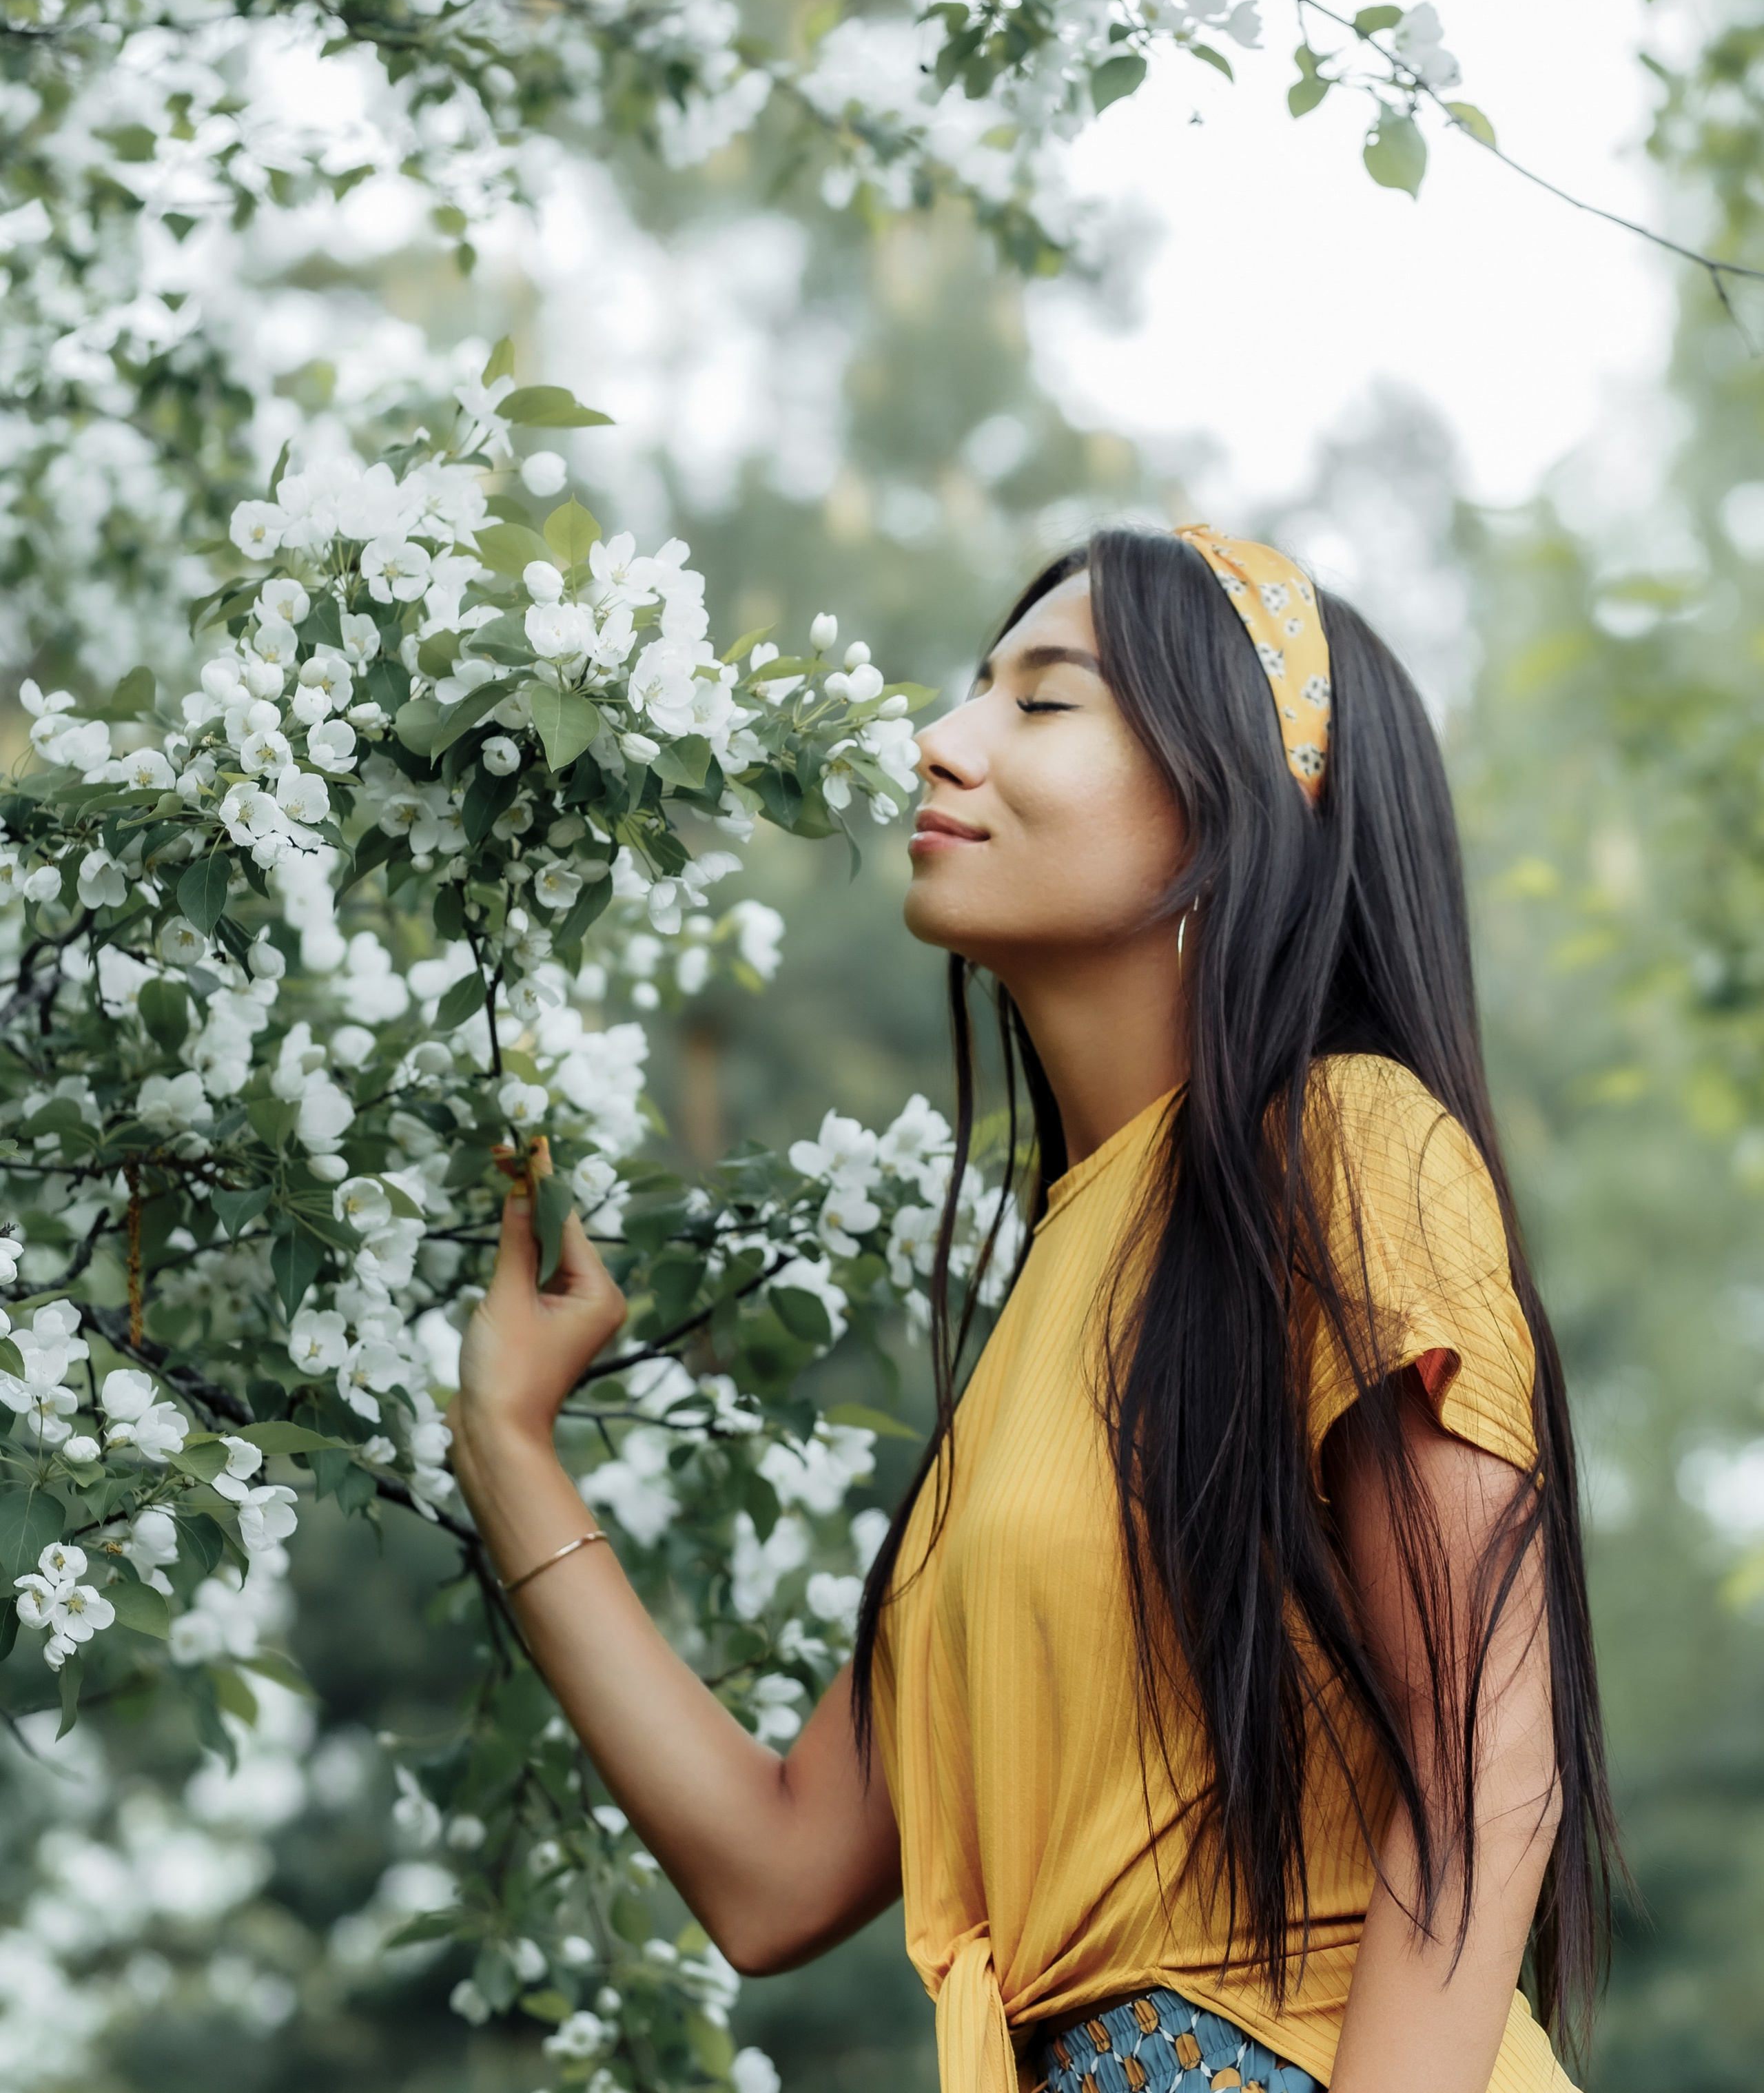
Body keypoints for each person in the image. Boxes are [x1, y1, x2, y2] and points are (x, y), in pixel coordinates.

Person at [449, 522, 1616, 2093]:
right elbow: (778, 1873)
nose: (940, 740)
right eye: (969, 693)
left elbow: (1485, 1761)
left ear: (1235, 804)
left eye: (1041, 703)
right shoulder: (1055, 1297)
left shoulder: (1345, 1146)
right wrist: (507, 1441)